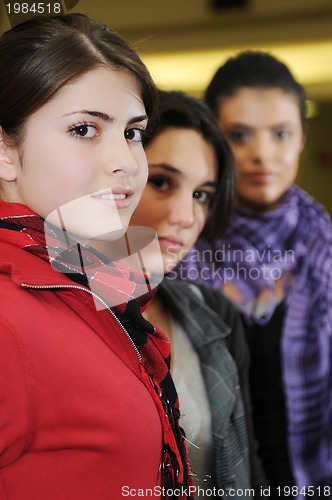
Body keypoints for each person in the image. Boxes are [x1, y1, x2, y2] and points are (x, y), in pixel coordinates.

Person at [0, 14, 193, 500]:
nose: (127, 162)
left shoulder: (86, 284)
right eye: (85, 129)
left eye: (132, 132)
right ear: (4, 151)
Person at [177, 51, 332, 497]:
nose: (262, 153)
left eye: (281, 134)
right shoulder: (177, 245)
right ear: (214, 142)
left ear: (302, 137)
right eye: (239, 135)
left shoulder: (323, 245)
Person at [130, 89, 268, 497]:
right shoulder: (67, 314)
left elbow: (248, 461)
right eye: (160, 181)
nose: (186, 217)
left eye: (201, 195)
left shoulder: (214, 312)